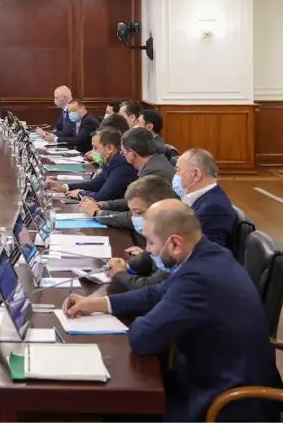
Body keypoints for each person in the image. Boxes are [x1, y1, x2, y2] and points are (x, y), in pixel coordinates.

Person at [64, 200, 282, 421]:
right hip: (213, 376)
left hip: (226, 404)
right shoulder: (210, 254)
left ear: (175, 243)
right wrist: (97, 304)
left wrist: (147, 317)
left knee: (121, 410)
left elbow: (143, 337)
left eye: (151, 242)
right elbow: (155, 293)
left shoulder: (198, 279)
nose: (147, 249)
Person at [81, 127, 174, 227]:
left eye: (122, 153)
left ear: (132, 154)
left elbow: (138, 217)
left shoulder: (154, 174)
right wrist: (104, 205)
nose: (122, 156)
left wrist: (97, 214)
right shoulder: (156, 163)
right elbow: (135, 200)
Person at [101, 176, 178, 291]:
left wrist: (119, 274)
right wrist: (127, 265)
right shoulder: (161, 230)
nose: (134, 218)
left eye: (138, 212)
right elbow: (150, 256)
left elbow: (151, 288)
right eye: (131, 212)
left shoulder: (175, 239)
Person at [46, 128, 137, 201]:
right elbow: (96, 183)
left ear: (109, 148)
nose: (92, 152)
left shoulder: (122, 168)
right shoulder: (110, 161)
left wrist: (80, 193)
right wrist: (65, 187)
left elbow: (102, 196)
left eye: (95, 148)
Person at [173, 148, 237, 247]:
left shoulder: (213, 209)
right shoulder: (206, 198)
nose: (175, 175)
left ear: (196, 174)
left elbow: (207, 253)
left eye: (178, 170)